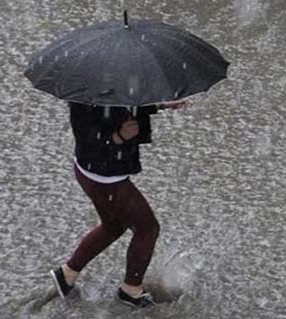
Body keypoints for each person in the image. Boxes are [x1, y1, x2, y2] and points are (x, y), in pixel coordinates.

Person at [49, 99, 186, 308]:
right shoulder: (87, 100)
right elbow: (91, 142)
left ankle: (67, 274)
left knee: (113, 226)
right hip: (105, 178)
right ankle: (131, 290)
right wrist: (119, 137)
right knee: (147, 229)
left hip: (92, 172)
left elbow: (122, 105)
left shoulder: (104, 89)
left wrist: (160, 105)